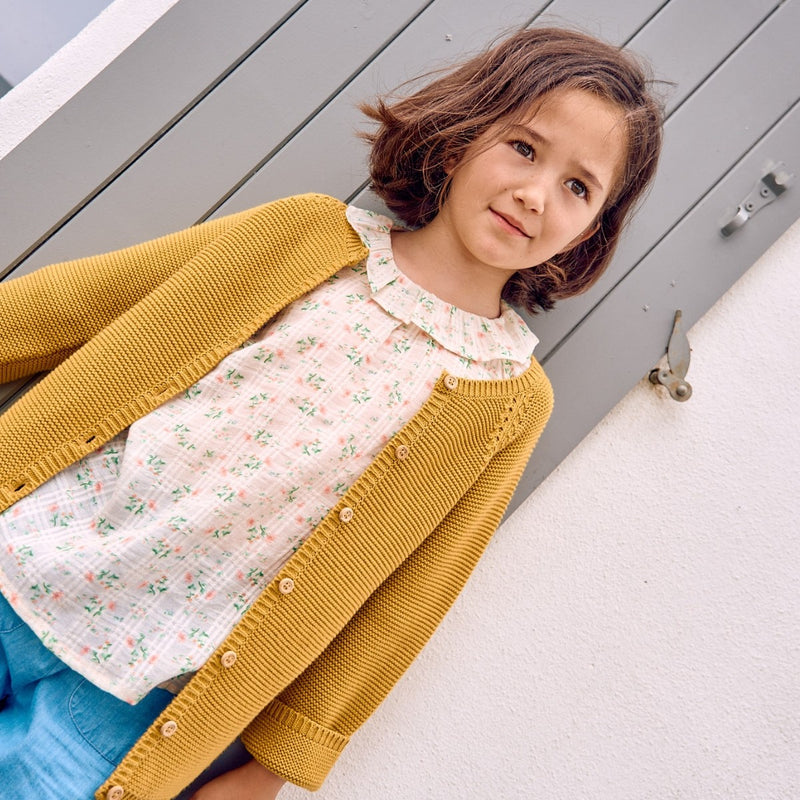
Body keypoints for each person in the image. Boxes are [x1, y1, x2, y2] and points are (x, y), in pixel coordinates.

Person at [0, 26, 662, 800]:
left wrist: (274, 770)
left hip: (127, 700)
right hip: (29, 550)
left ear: (592, 229)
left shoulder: (508, 400)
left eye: (579, 187)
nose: (536, 193)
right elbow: (80, 304)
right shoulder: (307, 237)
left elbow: (407, 602)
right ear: (461, 135)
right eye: (523, 148)